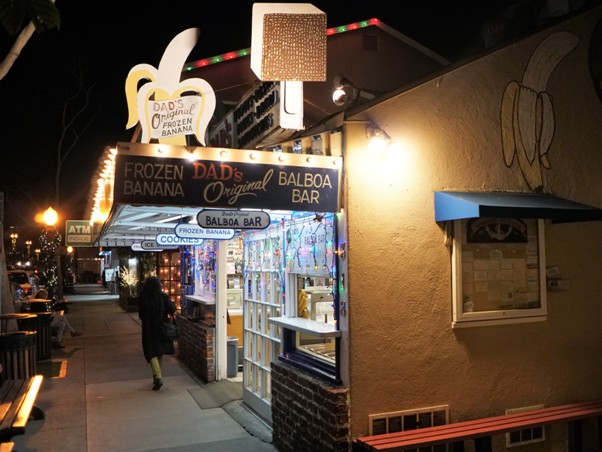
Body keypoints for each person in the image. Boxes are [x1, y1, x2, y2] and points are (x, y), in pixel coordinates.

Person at [137, 276, 176, 391]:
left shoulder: (143, 298)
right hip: (161, 327)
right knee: (159, 351)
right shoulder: (163, 296)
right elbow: (171, 309)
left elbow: (140, 315)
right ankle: (158, 377)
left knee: (151, 352)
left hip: (148, 329)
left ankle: (157, 377)